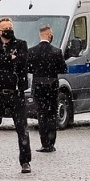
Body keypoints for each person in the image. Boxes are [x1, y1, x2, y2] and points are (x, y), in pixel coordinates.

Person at [0, 16, 32, 174]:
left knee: (21, 128)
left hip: (15, 92)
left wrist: (5, 61)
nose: (8, 31)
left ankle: (25, 161)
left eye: (10, 28)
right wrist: (8, 58)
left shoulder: (21, 44)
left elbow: (22, 61)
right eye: (5, 29)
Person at [27, 24, 67, 153]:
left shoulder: (32, 51)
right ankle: (51, 143)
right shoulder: (56, 51)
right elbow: (63, 69)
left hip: (38, 86)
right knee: (51, 115)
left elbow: (28, 68)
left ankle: (44, 143)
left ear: (40, 35)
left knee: (41, 115)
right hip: (52, 86)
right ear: (49, 35)